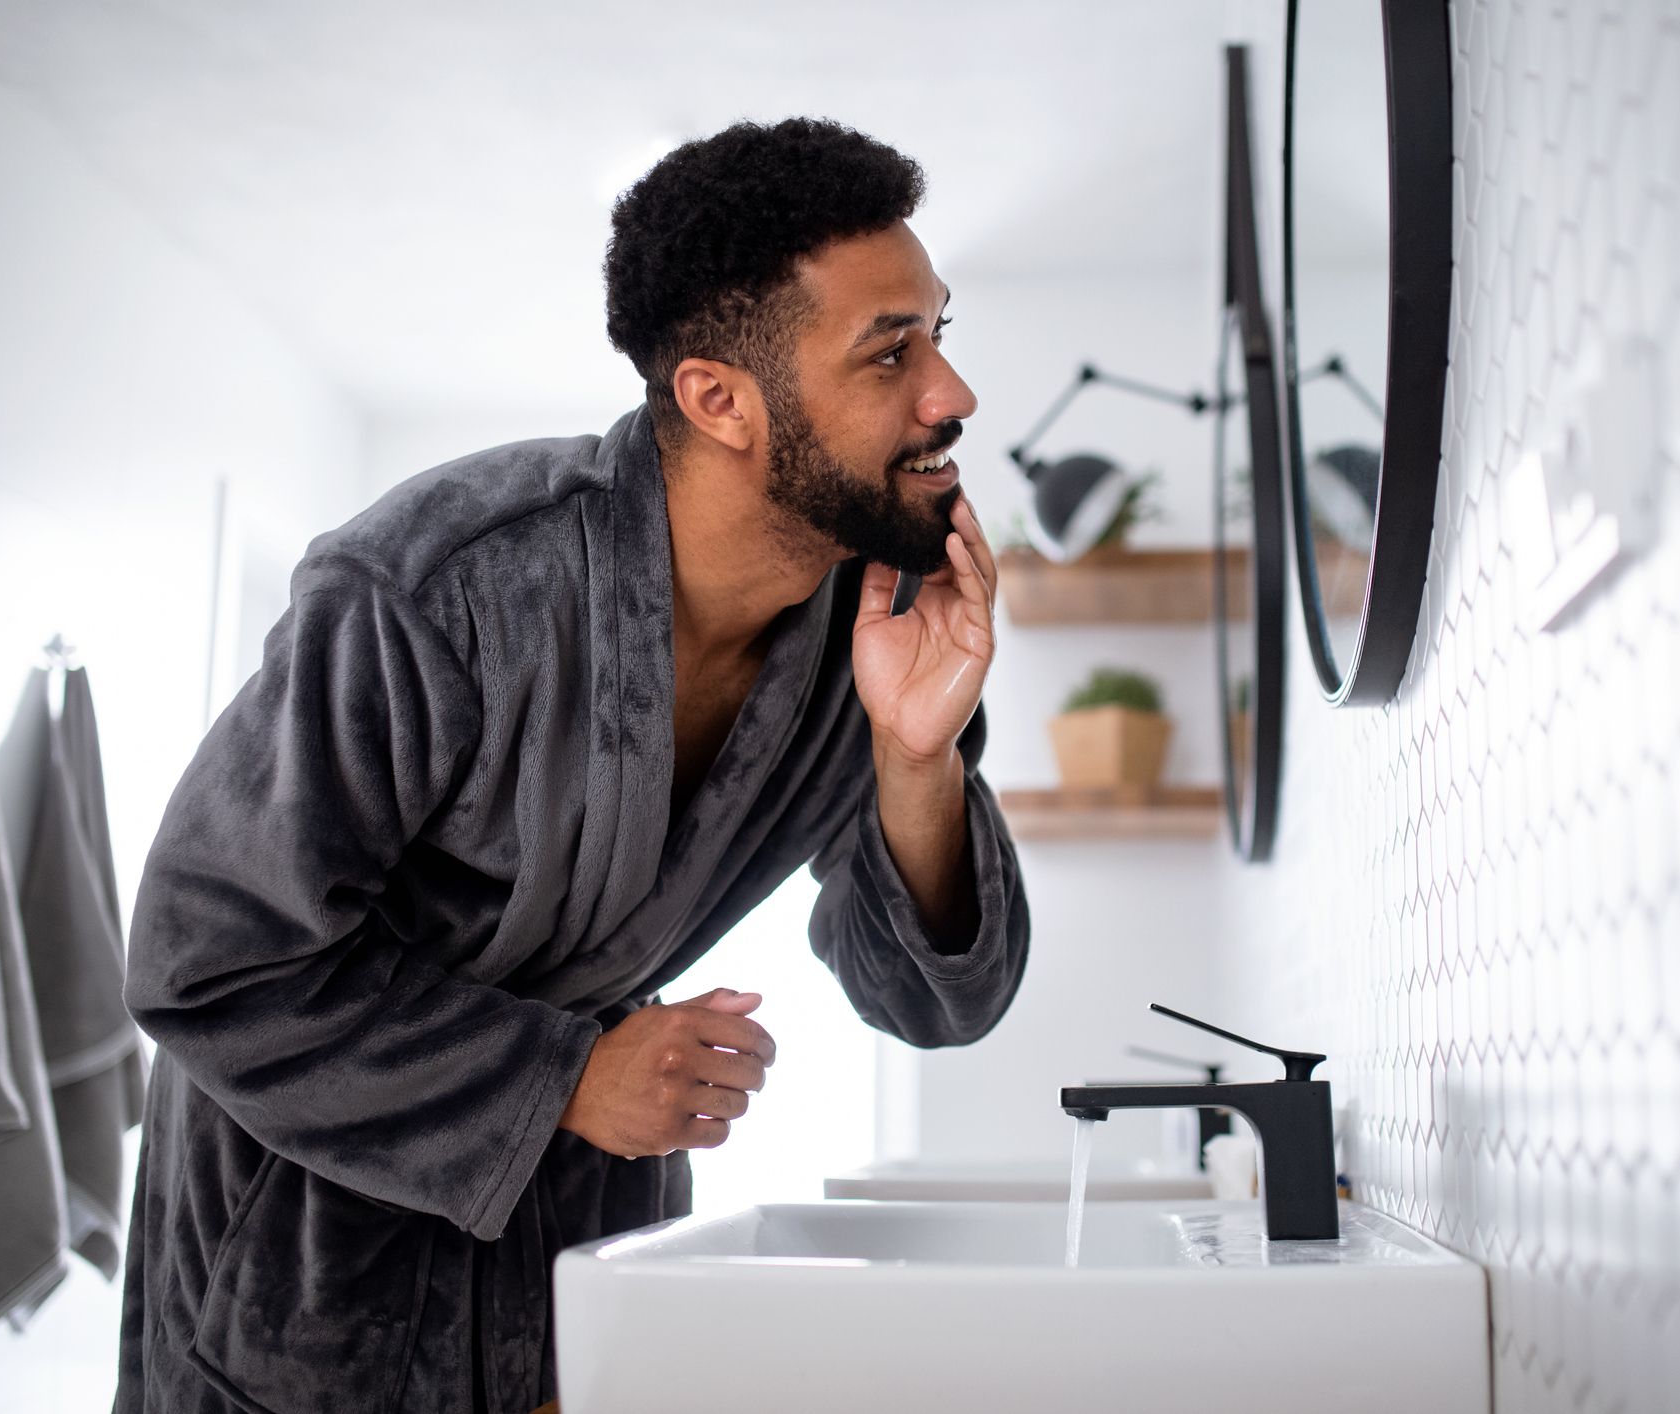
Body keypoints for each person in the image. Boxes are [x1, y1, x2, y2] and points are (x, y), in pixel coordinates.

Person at [116, 118, 1030, 1414]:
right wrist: (570, 1078)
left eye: (939, 333)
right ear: (719, 398)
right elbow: (204, 961)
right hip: (314, 1239)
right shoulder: (441, 580)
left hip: (576, 1256)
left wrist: (915, 753)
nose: (951, 394)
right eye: (891, 349)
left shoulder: (867, 624)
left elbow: (935, 1004)